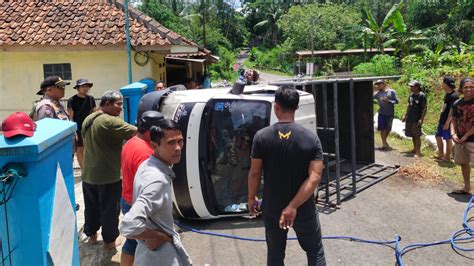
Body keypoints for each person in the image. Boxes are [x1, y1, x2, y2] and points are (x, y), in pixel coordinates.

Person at [248, 86, 326, 266]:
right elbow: (314, 177)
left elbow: (254, 172)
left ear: (276, 107)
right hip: (303, 207)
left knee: (275, 254)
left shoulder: (261, 137)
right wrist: (293, 206)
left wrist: (251, 198)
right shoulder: (310, 138)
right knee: (315, 250)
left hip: (273, 207)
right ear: (296, 108)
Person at [119, 119, 192, 266]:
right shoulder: (157, 180)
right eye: (171, 143)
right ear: (154, 145)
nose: (178, 148)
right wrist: (159, 236)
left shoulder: (148, 164)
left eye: (180, 141)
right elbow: (128, 226)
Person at [81, 90, 136, 250]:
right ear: (106, 104)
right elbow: (138, 133)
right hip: (108, 175)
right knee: (110, 209)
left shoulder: (89, 118)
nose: (121, 108)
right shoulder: (111, 122)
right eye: (118, 104)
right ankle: (110, 241)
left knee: (91, 207)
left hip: (89, 173)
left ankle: (91, 236)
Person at [120, 110, 164, 266]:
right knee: (150, 244)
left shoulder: (131, 142)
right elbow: (149, 185)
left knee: (132, 243)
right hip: (138, 204)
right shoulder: (144, 153)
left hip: (127, 198)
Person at [450, 78, 474, 195]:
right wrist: (453, 133)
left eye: (471, 87)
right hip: (460, 139)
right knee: (463, 163)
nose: (468, 89)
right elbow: (453, 120)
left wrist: (466, 136)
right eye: (466, 87)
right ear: (461, 89)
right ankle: (466, 187)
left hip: (471, 140)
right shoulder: (457, 104)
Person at [67, 78, 96, 169]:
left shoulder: (91, 99)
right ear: (78, 88)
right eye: (83, 86)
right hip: (78, 128)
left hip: (90, 127)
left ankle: (90, 167)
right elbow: (71, 117)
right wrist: (74, 130)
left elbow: (94, 113)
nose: (85, 88)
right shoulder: (72, 100)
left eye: (87, 86)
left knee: (91, 147)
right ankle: (83, 169)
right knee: (80, 148)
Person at [434, 76, 458, 162]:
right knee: (438, 136)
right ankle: (441, 154)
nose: (442, 84)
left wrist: (448, 122)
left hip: (448, 122)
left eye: (443, 83)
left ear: (446, 84)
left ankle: (447, 157)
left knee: (448, 139)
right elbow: (445, 108)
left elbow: (452, 110)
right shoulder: (447, 94)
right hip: (442, 120)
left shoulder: (454, 96)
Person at [402, 80, 427, 157]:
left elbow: (424, 108)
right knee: (412, 134)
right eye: (410, 86)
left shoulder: (422, 96)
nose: (411, 88)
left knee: (416, 135)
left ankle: (418, 152)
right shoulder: (411, 95)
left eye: (412, 86)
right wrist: (405, 115)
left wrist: (421, 119)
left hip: (416, 118)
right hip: (410, 118)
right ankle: (414, 149)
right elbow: (409, 106)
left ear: (417, 87)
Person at [373, 79, 399, 150]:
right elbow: (369, 98)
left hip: (390, 113)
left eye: (380, 84)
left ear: (384, 84)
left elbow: (396, 101)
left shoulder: (391, 92)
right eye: (377, 84)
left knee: (388, 128)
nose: (378, 86)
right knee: (382, 128)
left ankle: (385, 142)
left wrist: (389, 101)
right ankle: (384, 143)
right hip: (382, 113)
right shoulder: (377, 94)